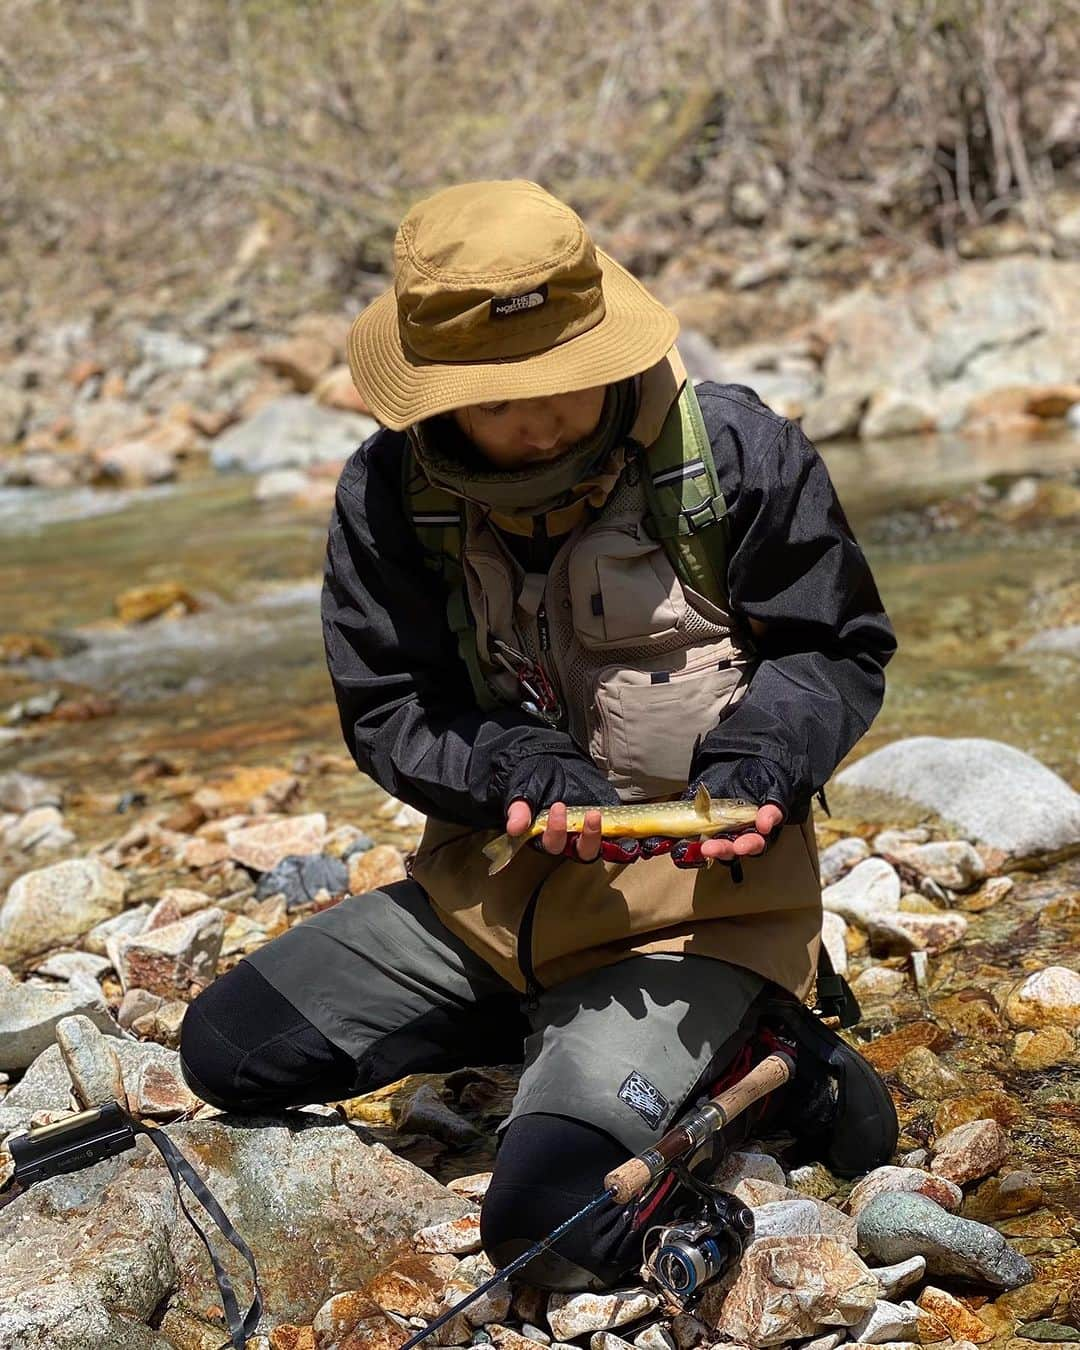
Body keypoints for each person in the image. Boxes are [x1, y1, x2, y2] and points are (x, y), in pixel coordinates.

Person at [180, 180, 898, 1292]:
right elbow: (389, 709)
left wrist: (760, 758)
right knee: (228, 1052)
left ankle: (776, 1057)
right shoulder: (389, 497)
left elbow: (835, 650)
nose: (542, 415)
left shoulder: (736, 454)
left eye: (562, 381)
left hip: (697, 918)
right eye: (502, 397)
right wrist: (511, 762)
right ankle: (570, 1041)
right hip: (489, 902)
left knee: (548, 1228)